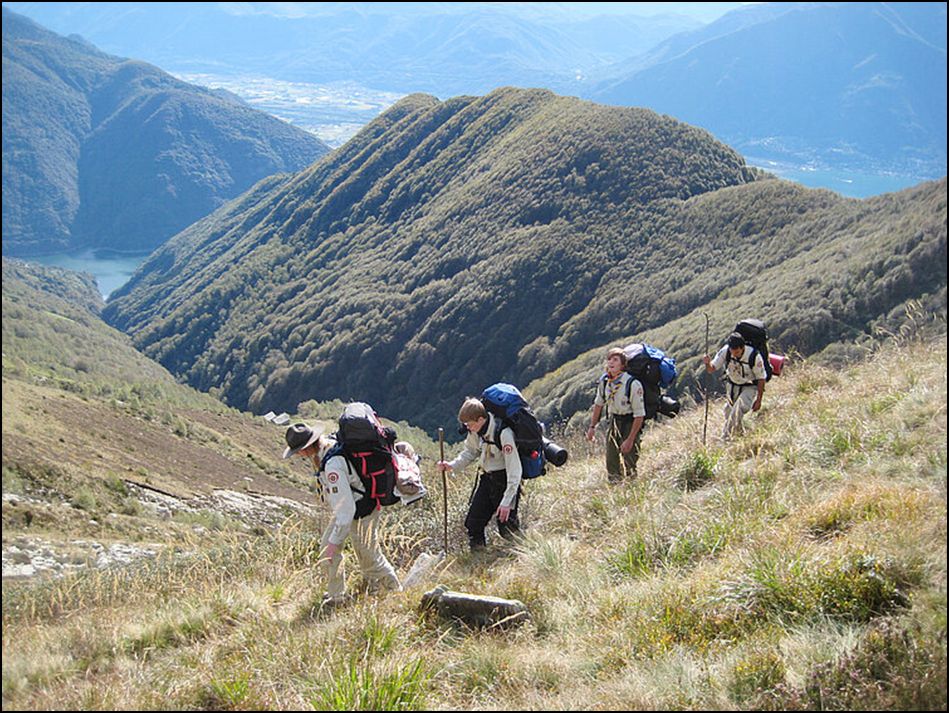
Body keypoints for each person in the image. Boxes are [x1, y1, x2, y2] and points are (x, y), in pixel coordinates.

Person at [283, 422, 401, 608]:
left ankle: (395, 592)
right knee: (326, 550)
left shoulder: (332, 465)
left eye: (297, 450)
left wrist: (335, 542)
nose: (297, 454)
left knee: (368, 555)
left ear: (306, 448)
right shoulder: (328, 448)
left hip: (362, 510)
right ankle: (336, 596)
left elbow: (346, 511)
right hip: (353, 507)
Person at [436, 397, 523, 551]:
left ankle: (523, 555)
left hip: (504, 480)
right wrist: (452, 465)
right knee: (473, 523)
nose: (468, 428)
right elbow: (470, 452)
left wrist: (507, 501)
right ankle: (479, 558)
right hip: (487, 479)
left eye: (470, 424)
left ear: (481, 419)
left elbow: (514, 470)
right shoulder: (476, 430)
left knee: (507, 527)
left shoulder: (504, 433)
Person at [585, 347, 646, 483]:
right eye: (609, 359)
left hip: (630, 422)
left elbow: (639, 415)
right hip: (614, 421)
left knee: (630, 459)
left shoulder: (632, 384)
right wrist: (592, 427)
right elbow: (599, 404)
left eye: (615, 359)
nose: (611, 362)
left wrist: (630, 439)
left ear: (623, 365)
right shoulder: (605, 382)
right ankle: (615, 487)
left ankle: (632, 489)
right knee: (611, 460)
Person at [703, 331, 766, 440]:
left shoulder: (754, 356)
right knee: (728, 411)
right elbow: (711, 369)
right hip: (732, 386)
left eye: (737, 352)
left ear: (743, 348)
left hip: (749, 387)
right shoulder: (726, 351)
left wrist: (759, 399)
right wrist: (707, 363)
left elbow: (761, 378)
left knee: (737, 410)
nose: (734, 355)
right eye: (732, 352)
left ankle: (725, 439)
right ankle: (740, 436)